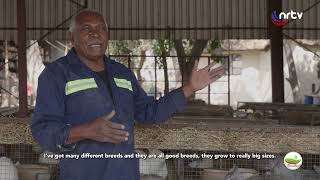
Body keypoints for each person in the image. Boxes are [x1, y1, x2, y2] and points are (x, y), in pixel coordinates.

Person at [31, 10, 224, 180]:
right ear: (72, 38)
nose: (95, 34)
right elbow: (43, 130)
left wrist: (189, 88)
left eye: (101, 28)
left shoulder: (122, 73)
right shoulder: (56, 75)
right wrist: (86, 131)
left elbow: (149, 113)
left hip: (125, 173)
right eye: (86, 29)